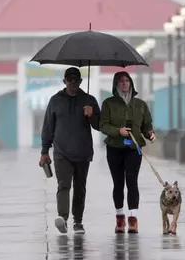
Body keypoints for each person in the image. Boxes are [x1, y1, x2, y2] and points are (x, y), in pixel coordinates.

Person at [40, 67, 100, 234]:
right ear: (64, 81)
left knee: (80, 187)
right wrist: (45, 151)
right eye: (69, 80)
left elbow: (99, 125)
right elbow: (48, 127)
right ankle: (63, 219)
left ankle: (78, 222)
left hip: (83, 151)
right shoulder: (55, 100)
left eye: (76, 80)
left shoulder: (89, 100)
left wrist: (92, 114)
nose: (72, 83)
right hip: (61, 152)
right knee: (63, 185)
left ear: (80, 82)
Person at [100, 71, 155, 234]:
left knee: (132, 181)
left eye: (126, 80)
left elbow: (147, 125)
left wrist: (150, 134)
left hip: (133, 148)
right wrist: (119, 131)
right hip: (114, 148)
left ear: (131, 83)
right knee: (118, 183)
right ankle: (120, 219)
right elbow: (103, 125)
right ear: (116, 84)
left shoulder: (140, 104)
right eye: (121, 81)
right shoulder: (108, 104)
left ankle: (133, 219)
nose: (124, 83)